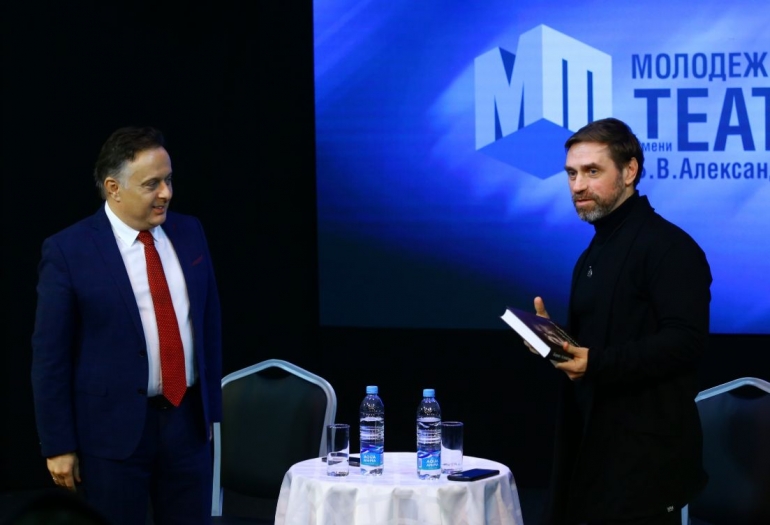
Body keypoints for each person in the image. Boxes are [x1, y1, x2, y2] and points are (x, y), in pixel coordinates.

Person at [31, 126, 223, 525]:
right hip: (111, 435)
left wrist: (210, 413)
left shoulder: (190, 231)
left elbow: (209, 324)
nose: (166, 193)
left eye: (168, 180)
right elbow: (50, 357)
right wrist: (58, 444)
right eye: (152, 184)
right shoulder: (69, 251)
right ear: (113, 188)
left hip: (186, 424)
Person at [536, 118, 711, 525]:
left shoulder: (670, 247)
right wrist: (552, 342)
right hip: (590, 453)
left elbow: (686, 342)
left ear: (629, 171)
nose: (578, 185)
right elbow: (600, 341)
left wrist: (595, 362)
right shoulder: (593, 253)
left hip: (644, 465)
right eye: (571, 174)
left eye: (592, 171)